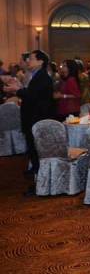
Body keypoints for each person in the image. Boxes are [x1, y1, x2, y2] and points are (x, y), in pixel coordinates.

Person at [3, 50, 56, 194]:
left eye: (31, 59)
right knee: (34, 152)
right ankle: (38, 181)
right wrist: (19, 89)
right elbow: (32, 94)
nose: (28, 62)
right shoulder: (37, 76)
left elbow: (32, 96)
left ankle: (40, 184)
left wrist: (18, 90)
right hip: (32, 119)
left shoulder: (43, 77)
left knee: (37, 153)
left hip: (36, 120)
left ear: (40, 62)